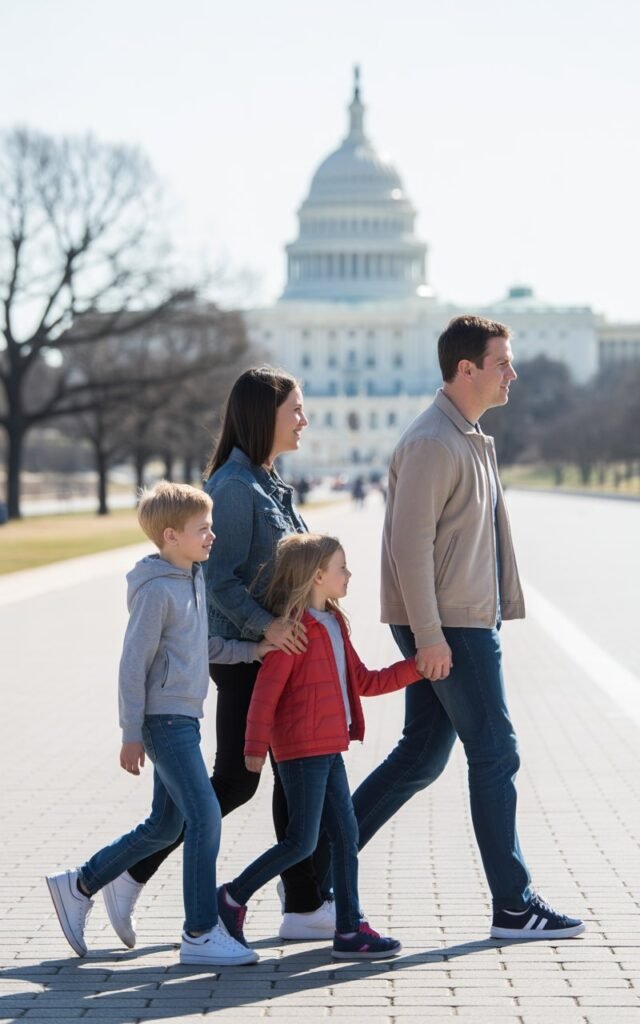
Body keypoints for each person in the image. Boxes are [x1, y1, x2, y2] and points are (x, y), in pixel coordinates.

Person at [351, 315, 585, 940]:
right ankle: (514, 905)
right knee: (495, 749)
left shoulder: (470, 436)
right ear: (467, 369)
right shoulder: (434, 442)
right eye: (503, 362)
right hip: (449, 625)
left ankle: (318, 870)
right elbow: (409, 545)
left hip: (460, 618)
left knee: (420, 759)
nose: (513, 372)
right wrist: (430, 636)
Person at [103, 368, 335, 946]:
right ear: (265, 416)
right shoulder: (235, 488)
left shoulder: (266, 481)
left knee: (284, 777)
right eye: (295, 410)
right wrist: (269, 628)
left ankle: (304, 902)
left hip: (269, 655)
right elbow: (218, 581)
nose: (304, 420)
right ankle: (126, 875)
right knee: (235, 782)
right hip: (244, 659)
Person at [46, 481, 273, 966]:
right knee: (205, 814)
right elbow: (133, 664)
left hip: (184, 718)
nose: (212, 536)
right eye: (203, 529)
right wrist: (131, 732)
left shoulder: (191, 578)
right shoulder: (156, 591)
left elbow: (203, 647)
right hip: (163, 720)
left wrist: (254, 650)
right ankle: (200, 931)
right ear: (171, 536)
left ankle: (79, 884)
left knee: (164, 823)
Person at [215, 533, 421, 959]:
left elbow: (362, 681)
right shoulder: (294, 630)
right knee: (301, 843)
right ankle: (231, 898)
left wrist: (415, 669)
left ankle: (349, 929)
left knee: (346, 837)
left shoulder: (335, 624)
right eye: (341, 567)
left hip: (330, 746)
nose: (349, 574)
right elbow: (265, 694)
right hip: (301, 750)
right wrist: (253, 744)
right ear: (317, 576)